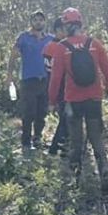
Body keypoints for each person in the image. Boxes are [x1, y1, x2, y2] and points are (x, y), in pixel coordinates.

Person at [46, 7, 108, 190]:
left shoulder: (61, 49)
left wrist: (52, 101)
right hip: (94, 98)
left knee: (75, 140)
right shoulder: (95, 44)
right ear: (80, 23)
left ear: (66, 25)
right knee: (96, 137)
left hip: (73, 100)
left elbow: (55, 79)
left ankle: (75, 179)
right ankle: (104, 169)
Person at [8, 10, 53, 152]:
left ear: (45, 22)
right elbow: (13, 56)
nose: (38, 22)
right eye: (35, 20)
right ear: (31, 22)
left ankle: (38, 137)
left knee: (42, 111)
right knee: (29, 112)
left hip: (45, 79)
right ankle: (26, 142)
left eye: (41, 20)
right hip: (28, 80)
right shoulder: (24, 38)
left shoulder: (50, 39)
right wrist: (9, 75)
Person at [43, 16, 71, 156]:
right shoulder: (52, 47)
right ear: (57, 30)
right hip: (60, 87)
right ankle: (56, 147)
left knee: (66, 117)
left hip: (64, 87)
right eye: (63, 29)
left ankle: (63, 145)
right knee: (66, 117)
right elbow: (50, 71)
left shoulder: (63, 45)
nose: (66, 32)